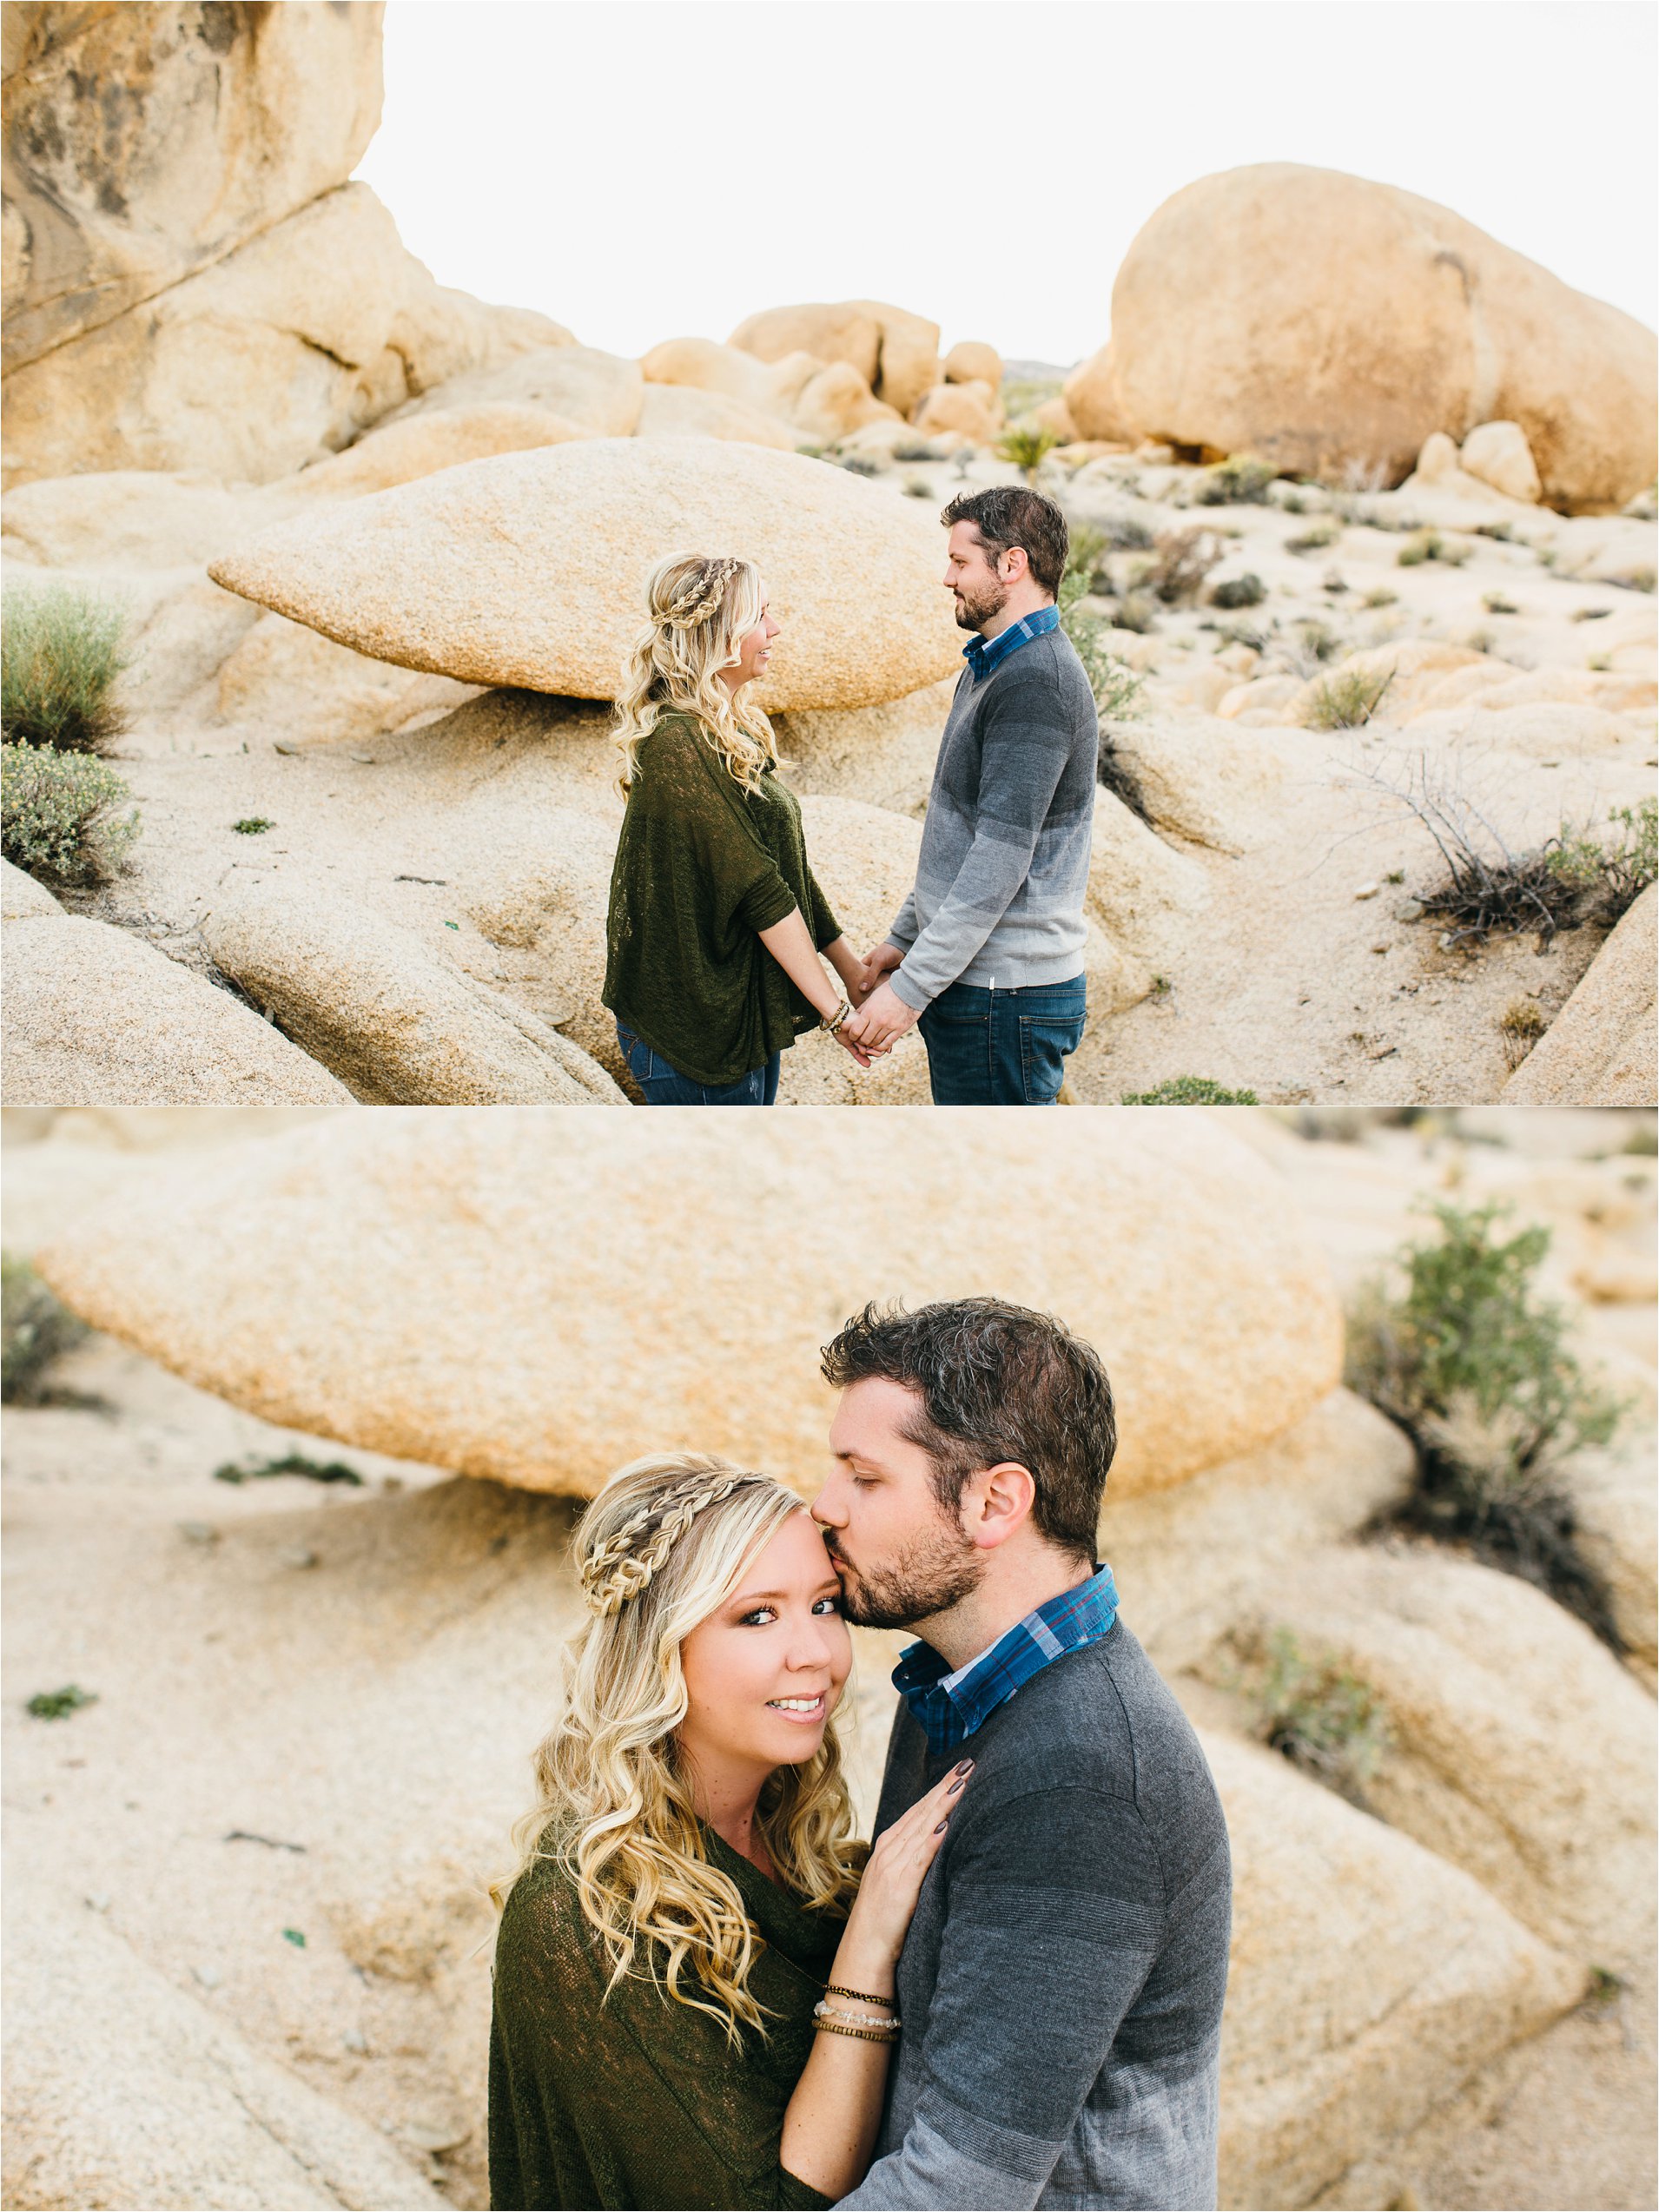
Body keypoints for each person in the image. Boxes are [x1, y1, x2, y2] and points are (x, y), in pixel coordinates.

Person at [811, 1297, 1233, 2210]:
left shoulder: (1083, 1779)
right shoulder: (952, 1694)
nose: (823, 1505)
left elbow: (960, 2188)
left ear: (994, 1501)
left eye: (864, 1478)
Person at [487, 1453, 972, 2210]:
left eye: (824, 1605)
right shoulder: (579, 1914)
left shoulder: (811, 1860)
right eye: (757, 1615)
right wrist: (868, 1950)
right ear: (660, 1647)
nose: (815, 1651)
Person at [843, 488, 1099, 1106]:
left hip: (1004, 998)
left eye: (961, 562)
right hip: (982, 989)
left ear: (1012, 565)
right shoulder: (991, 667)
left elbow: (998, 863)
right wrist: (905, 938)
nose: (946, 577)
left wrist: (908, 995)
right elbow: (961, 836)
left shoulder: (1037, 681)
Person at [603, 554, 874, 1105]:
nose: (774, 629)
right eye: (761, 615)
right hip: (691, 1029)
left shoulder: (729, 731)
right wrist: (837, 1014)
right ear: (716, 632)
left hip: (735, 1010)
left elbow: (785, 869)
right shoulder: (677, 744)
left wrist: (853, 971)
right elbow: (759, 891)